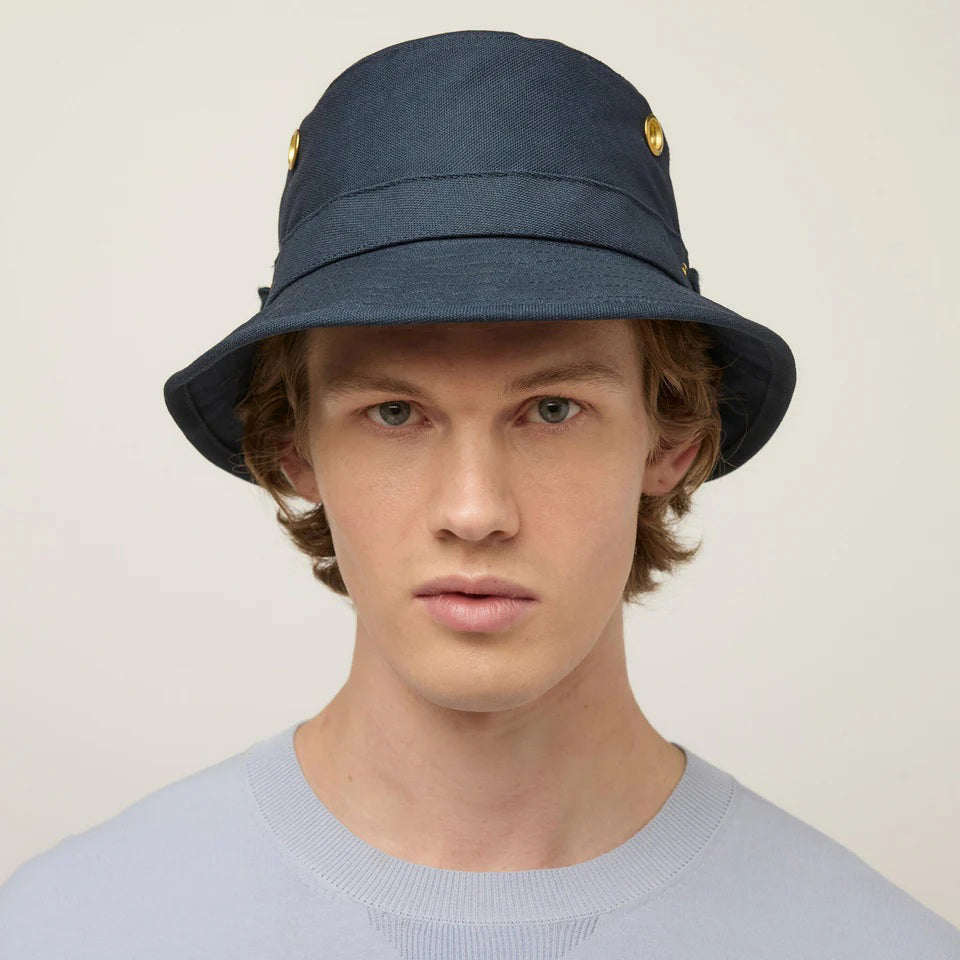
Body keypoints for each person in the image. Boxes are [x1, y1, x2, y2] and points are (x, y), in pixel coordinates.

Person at [2, 28, 958, 959]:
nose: (474, 510)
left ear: (676, 436)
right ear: (289, 448)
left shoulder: (874, 942)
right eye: (392, 412)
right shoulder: (66, 929)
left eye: (550, 409)